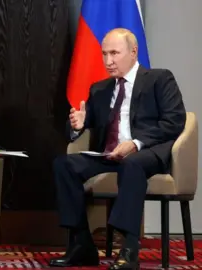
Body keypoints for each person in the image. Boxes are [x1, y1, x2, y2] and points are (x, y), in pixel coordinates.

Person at [50, 28, 186, 269]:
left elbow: (174, 122)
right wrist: (78, 125)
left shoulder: (159, 79)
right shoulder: (99, 89)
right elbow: (83, 123)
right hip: (108, 154)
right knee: (64, 164)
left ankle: (129, 249)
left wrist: (135, 143)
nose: (108, 61)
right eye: (104, 54)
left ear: (133, 52)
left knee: (131, 163)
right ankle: (81, 243)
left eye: (114, 53)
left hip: (145, 153)